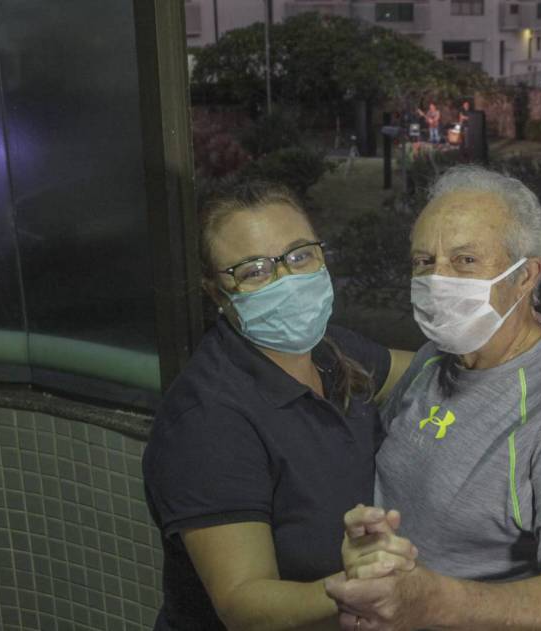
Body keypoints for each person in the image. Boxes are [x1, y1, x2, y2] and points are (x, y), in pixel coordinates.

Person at [325, 166, 541, 630]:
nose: (437, 279)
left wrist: (430, 601)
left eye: (465, 260)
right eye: (423, 261)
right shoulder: (435, 358)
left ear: (525, 275)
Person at [141, 183, 420, 630]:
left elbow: (422, 372)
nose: (287, 280)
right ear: (217, 293)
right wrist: (353, 586)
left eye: (299, 255)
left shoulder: (330, 352)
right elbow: (244, 603)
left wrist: (517, 343)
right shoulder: (205, 421)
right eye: (254, 270)